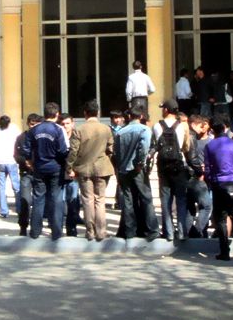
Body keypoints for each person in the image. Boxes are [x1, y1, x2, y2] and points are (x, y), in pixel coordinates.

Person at [67, 100, 114, 241]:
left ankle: (90, 231)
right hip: (102, 168)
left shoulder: (79, 130)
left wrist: (69, 167)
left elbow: (73, 151)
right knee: (100, 200)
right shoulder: (106, 129)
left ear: (85, 113)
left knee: (88, 200)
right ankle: (101, 232)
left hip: (84, 169)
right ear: (98, 112)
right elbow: (111, 148)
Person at [204, 117, 233, 261]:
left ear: (212, 130)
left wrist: (211, 182)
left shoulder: (209, 146)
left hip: (218, 185)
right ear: (225, 128)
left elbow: (207, 168)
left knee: (221, 219)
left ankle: (224, 252)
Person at [22, 102, 69, 240]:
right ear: (57, 114)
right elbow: (63, 150)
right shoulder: (58, 129)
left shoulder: (35, 129)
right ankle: (56, 232)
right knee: (56, 199)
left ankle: (35, 231)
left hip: (39, 167)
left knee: (38, 198)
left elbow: (26, 147)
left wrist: (29, 160)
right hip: (55, 167)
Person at [114, 105, 159, 241]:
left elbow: (117, 153)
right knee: (146, 198)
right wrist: (140, 163)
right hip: (137, 169)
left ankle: (130, 231)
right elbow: (144, 148)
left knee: (128, 200)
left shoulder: (120, 132)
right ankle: (152, 230)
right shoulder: (144, 129)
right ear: (141, 116)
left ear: (129, 116)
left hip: (123, 169)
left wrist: (119, 169)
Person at [152, 98, 191, 242]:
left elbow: (155, 144)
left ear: (166, 110)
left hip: (163, 166)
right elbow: (186, 147)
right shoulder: (183, 126)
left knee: (165, 199)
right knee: (181, 199)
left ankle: (168, 232)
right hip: (178, 165)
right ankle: (182, 232)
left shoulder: (157, 126)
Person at [14, 113, 42, 236]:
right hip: (26, 173)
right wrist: (25, 162)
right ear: (27, 124)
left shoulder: (42, 138)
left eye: (36, 125)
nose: (33, 127)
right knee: (25, 200)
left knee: (39, 201)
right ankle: (23, 226)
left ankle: (36, 227)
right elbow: (16, 155)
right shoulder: (21, 138)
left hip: (40, 173)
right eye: (31, 124)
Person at [185, 114, 212, 238]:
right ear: (193, 124)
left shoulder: (185, 135)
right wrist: (200, 171)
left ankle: (186, 232)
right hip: (194, 176)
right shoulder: (191, 137)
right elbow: (192, 158)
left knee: (190, 207)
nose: (201, 129)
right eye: (200, 126)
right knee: (206, 206)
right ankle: (196, 231)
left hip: (186, 175)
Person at [0, 115, 21, 218]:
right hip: (12, 161)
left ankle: (4, 210)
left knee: (2, 187)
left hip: (0, 162)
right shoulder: (13, 133)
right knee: (16, 186)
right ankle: (19, 208)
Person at [59, 112, 80, 236]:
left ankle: (71, 229)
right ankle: (57, 227)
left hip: (73, 174)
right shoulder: (58, 136)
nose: (65, 126)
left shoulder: (77, 137)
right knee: (60, 202)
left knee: (72, 201)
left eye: (67, 123)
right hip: (59, 173)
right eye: (63, 124)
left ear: (72, 124)